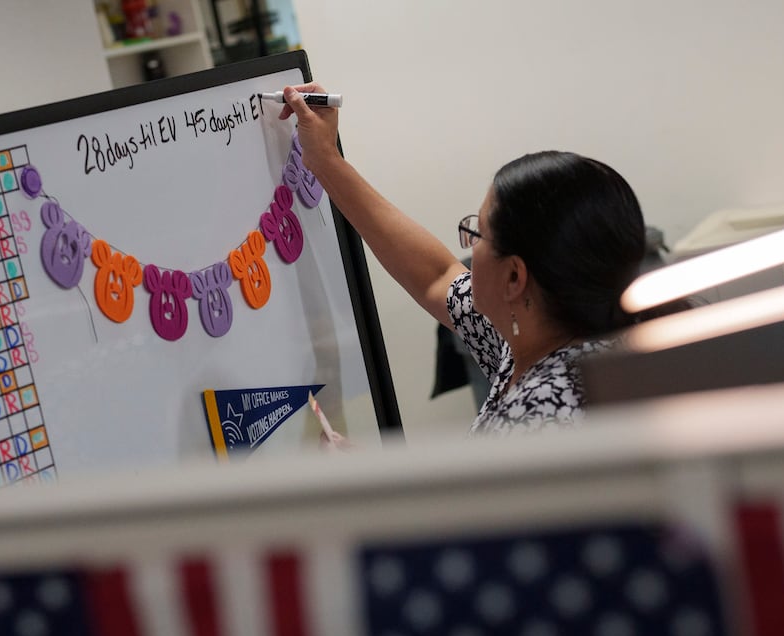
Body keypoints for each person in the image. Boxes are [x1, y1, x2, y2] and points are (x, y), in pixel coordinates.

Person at [282, 83, 658, 435]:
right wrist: (326, 160)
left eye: (477, 235)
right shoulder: (554, 334)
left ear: (514, 278)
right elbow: (436, 275)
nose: (468, 250)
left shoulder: (538, 421)